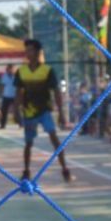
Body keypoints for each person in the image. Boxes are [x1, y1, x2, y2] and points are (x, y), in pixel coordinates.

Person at [14, 38, 74, 183]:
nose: (28, 53)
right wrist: (16, 111)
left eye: (30, 50)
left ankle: (65, 169)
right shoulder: (21, 71)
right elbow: (18, 93)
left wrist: (61, 113)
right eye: (26, 50)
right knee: (28, 143)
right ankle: (26, 171)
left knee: (54, 138)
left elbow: (56, 92)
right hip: (29, 112)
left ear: (37, 52)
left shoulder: (47, 71)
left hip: (45, 111)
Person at [0, 64, 17, 129]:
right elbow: (3, 85)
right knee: (4, 111)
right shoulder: (4, 76)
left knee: (17, 110)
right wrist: (2, 94)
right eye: (9, 69)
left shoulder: (16, 76)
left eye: (12, 69)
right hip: (6, 95)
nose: (10, 70)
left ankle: (21, 124)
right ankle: (2, 125)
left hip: (15, 96)